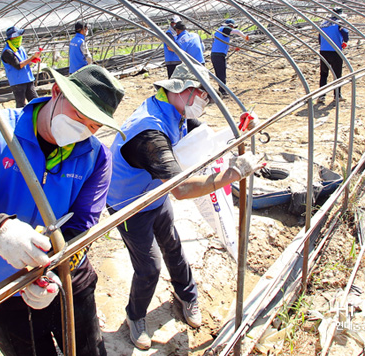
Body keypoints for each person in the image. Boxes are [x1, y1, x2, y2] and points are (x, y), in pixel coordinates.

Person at [0, 65, 125, 356]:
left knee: (87, 349)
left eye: (93, 125)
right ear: (56, 92)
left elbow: (82, 225)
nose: (83, 129)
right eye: (79, 115)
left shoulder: (97, 156)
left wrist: (52, 271)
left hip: (65, 278)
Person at [106, 64, 263, 350]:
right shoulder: (149, 133)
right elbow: (180, 189)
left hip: (154, 193)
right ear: (184, 90)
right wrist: (231, 174)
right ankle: (135, 316)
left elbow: (205, 136)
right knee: (149, 267)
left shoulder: (174, 111)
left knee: (173, 245)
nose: (205, 101)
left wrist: (237, 128)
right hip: (129, 204)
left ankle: (187, 296)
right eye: (203, 94)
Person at [1, 26, 40, 108]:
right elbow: (18, 65)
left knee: (35, 100)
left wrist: (31, 61)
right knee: (21, 103)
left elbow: (24, 62)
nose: (20, 38)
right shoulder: (7, 52)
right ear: (12, 38)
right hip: (18, 82)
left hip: (28, 78)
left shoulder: (20, 48)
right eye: (18, 36)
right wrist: (31, 57)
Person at [317, 8, 349, 103]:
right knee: (337, 74)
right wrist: (344, 41)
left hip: (323, 51)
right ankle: (337, 95)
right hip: (335, 51)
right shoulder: (339, 24)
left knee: (323, 74)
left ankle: (322, 96)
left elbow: (319, 39)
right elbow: (346, 34)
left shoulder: (323, 24)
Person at [210, 18, 249, 97]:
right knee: (221, 74)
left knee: (221, 73)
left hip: (217, 55)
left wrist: (234, 48)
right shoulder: (224, 29)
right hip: (218, 55)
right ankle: (223, 91)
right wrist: (244, 37)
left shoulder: (221, 33)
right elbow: (237, 32)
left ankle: (222, 89)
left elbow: (224, 45)